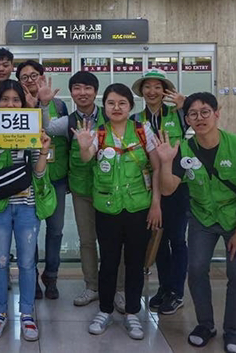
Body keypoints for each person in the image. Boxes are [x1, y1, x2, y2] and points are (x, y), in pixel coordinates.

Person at [156, 92, 236, 353]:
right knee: (196, 269)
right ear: (187, 119)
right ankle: (205, 325)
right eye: (193, 114)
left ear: (217, 113)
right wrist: (166, 162)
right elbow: (168, 189)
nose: (199, 118)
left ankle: (233, 331)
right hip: (202, 218)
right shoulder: (184, 149)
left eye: (205, 112)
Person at [72, 83, 162, 341]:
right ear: (105, 107)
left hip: (139, 207)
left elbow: (156, 167)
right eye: (111, 103)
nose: (116, 107)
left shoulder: (143, 131)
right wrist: (83, 145)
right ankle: (105, 310)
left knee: (135, 262)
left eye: (122, 103)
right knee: (109, 261)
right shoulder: (98, 133)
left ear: (131, 106)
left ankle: (132, 312)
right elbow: (88, 157)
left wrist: (156, 204)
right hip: (107, 209)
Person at [0, 80, 55, 341]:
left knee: (27, 262)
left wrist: (43, 151)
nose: (10, 104)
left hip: (27, 206)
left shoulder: (33, 128)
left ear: (23, 103)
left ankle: (27, 314)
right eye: (5, 99)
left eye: (16, 99)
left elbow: (39, 173)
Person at [40, 71, 127, 310]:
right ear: (71, 92)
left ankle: (119, 288)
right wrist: (45, 105)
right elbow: (47, 127)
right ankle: (92, 286)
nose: (82, 93)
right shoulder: (68, 122)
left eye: (88, 88)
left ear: (96, 91)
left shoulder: (110, 116)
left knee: (115, 241)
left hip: (111, 188)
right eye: (77, 88)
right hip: (82, 190)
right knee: (87, 240)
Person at [130, 69, 189, 316]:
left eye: (157, 87)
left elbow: (199, 126)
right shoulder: (136, 120)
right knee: (159, 239)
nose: (152, 91)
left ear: (165, 91)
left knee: (177, 239)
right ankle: (164, 287)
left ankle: (177, 292)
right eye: (147, 87)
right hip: (150, 186)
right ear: (141, 91)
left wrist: (185, 107)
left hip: (177, 185)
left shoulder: (179, 114)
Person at [17, 59, 68, 300]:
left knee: (55, 230)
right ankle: (32, 277)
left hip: (55, 177)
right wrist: (28, 109)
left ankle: (52, 276)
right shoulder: (15, 104)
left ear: (42, 76)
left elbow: (67, 138)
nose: (30, 80)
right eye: (24, 77)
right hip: (28, 178)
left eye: (34, 75)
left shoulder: (59, 104)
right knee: (30, 231)